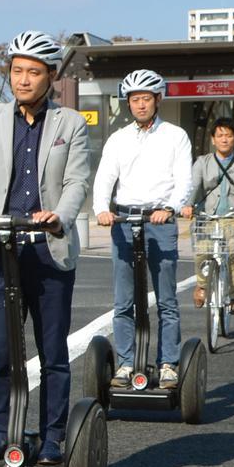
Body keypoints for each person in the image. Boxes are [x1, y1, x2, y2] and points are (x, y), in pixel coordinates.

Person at [0, 30, 90, 465]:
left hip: (48, 252)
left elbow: (76, 182)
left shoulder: (69, 123)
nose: (23, 79)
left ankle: (53, 441)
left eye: (33, 72)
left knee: (53, 354)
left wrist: (60, 216)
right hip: (2, 250)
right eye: (17, 71)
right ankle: (0, 435)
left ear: (51, 76)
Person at [93, 69, 192, 389]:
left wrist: (170, 208)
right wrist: (101, 210)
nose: (139, 105)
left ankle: (168, 364)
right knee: (123, 301)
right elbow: (104, 177)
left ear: (158, 99)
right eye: (134, 99)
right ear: (128, 102)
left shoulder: (175, 136)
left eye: (146, 99)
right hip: (123, 222)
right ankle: (124, 364)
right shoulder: (118, 138)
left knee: (166, 299)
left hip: (159, 221)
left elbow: (184, 180)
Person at [181, 117, 234, 316]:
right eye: (220, 135)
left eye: (229, 136)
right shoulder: (202, 162)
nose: (224, 139)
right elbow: (192, 186)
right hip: (208, 216)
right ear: (213, 139)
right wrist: (187, 204)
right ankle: (202, 285)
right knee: (203, 249)